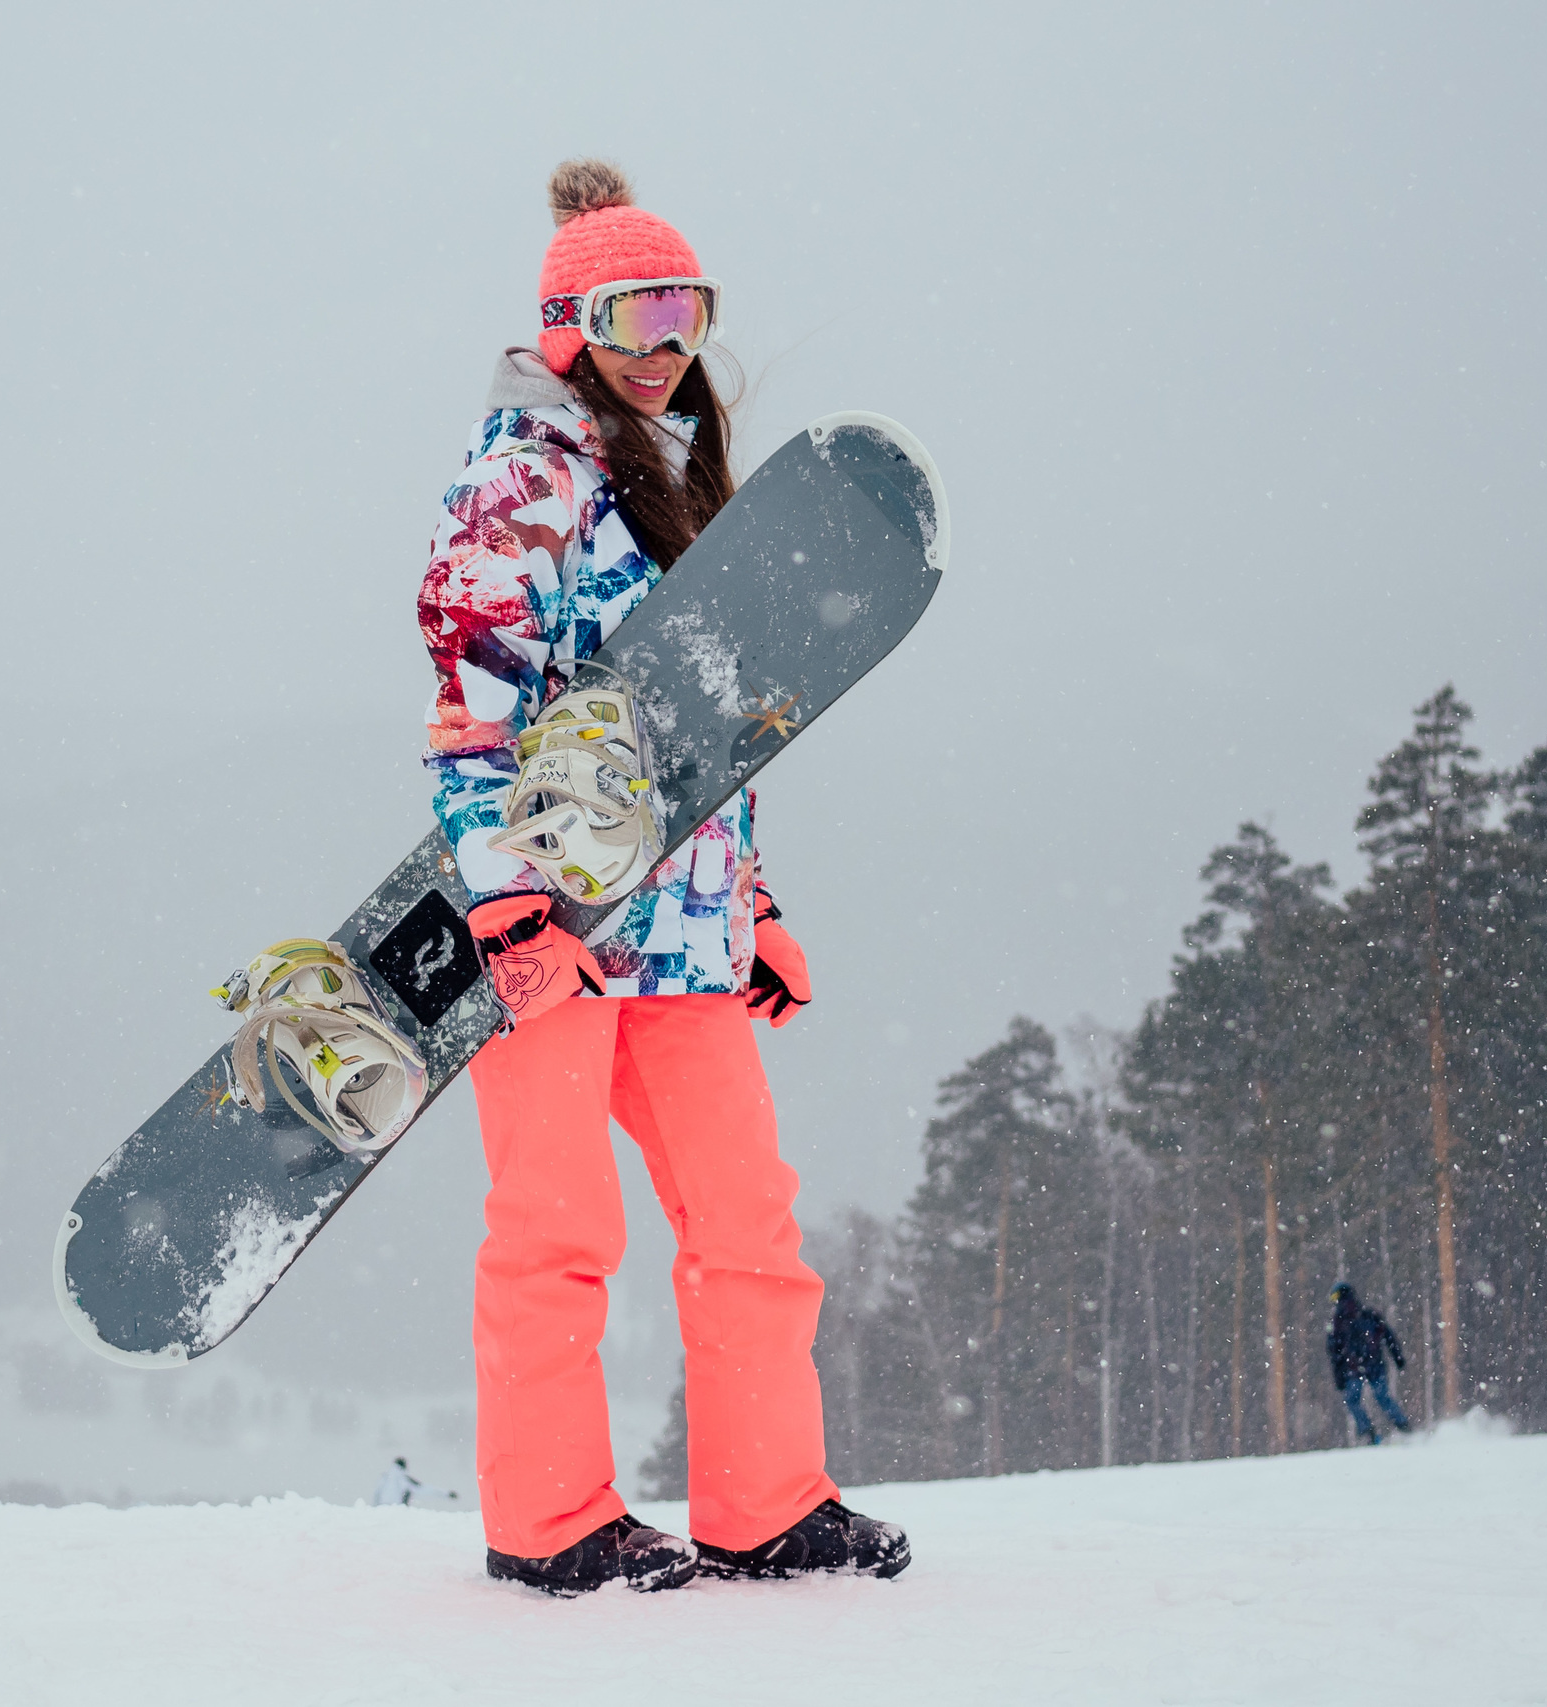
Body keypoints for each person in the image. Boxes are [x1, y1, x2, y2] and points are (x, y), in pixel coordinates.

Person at [415, 158, 909, 1596]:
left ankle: (767, 1500)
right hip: (555, 931)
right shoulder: (521, 480)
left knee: (748, 1222)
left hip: (683, 935)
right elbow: (475, 703)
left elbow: (700, 738)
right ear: (569, 322)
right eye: (635, 310)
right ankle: (552, 1516)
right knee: (561, 1229)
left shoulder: (683, 482)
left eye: (688, 308)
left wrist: (753, 907)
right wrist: (507, 895)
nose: (666, 340)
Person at [1327, 1282, 1413, 1443]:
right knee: (1382, 1397)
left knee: (1352, 1400)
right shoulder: (1368, 1314)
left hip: (1353, 1368)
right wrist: (1397, 1357)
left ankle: (1369, 1432)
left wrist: (1338, 1374)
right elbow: (1388, 1335)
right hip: (1374, 1365)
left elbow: (1334, 1350)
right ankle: (1403, 1426)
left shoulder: (1337, 1322)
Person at [373, 1456, 453, 1507]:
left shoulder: (384, 1477)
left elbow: (376, 1494)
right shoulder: (405, 1479)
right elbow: (424, 1489)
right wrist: (446, 1493)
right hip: (396, 1512)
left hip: (380, 1510)